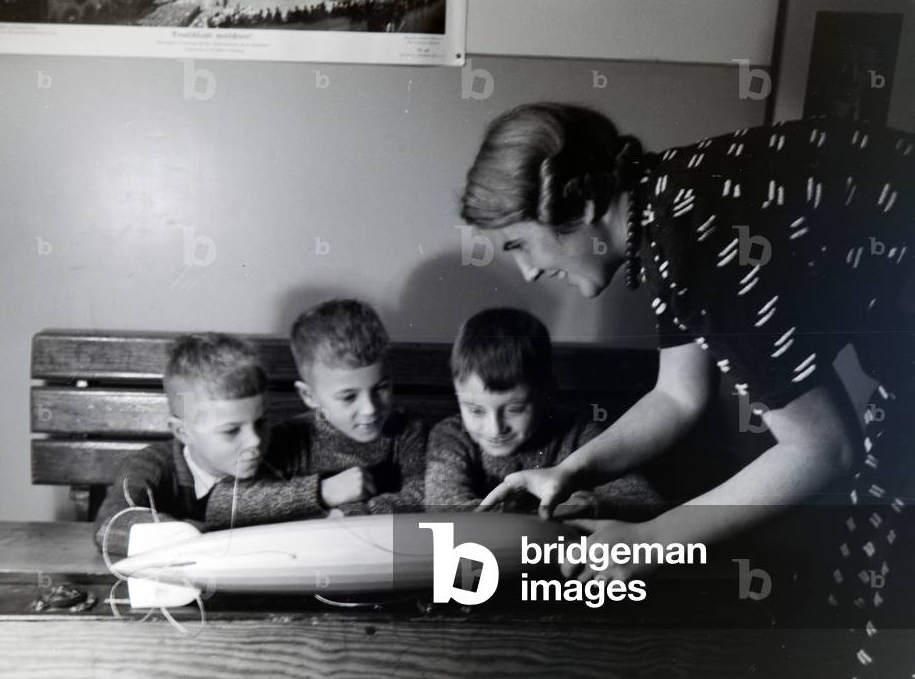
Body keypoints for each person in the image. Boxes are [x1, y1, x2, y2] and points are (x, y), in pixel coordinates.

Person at [462, 103, 914, 676]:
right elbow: (678, 396)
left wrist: (650, 540)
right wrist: (570, 471)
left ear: (581, 205)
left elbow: (826, 449)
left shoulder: (695, 237)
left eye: (519, 245)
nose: (526, 273)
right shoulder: (664, 204)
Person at [425, 306, 665, 520]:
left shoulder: (578, 432)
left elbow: (642, 498)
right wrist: (541, 517)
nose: (495, 428)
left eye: (515, 409)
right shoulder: (451, 436)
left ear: (546, 389)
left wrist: (586, 505)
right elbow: (444, 509)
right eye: (476, 410)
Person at [243, 299, 426, 519]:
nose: (369, 409)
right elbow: (222, 503)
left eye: (381, 388)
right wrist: (323, 492)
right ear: (309, 396)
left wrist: (347, 513)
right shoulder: (290, 439)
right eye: (349, 397)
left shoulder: (407, 431)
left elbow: (426, 495)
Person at [94, 333, 272, 555]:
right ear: (183, 432)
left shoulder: (275, 458)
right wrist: (200, 536)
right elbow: (110, 527)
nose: (255, 439)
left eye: (261, 422)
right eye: (232, 430)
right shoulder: (152, 465)